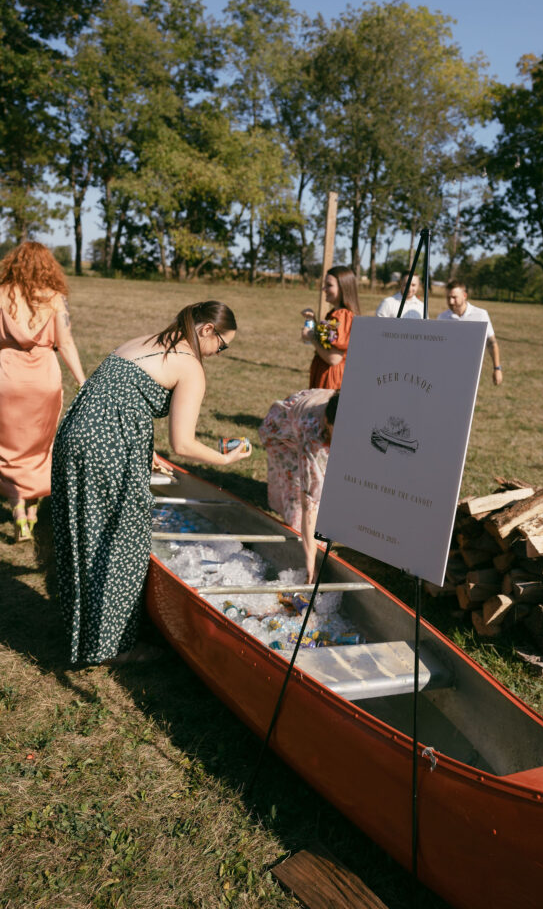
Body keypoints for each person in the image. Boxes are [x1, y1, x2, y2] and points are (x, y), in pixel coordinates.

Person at [51, 300, 252, 666]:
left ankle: (86, 630)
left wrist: (144, 450)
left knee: (84, 532)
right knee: (124, 541)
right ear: (207, 330)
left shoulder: (142, 341)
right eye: (222, 345)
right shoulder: (190, 366)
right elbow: (184, 443)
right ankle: (115, 648)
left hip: (74, 435)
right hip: (107, 447)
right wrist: (225, 458)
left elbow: (115, 400)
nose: (219, 353)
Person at [0, 242, 86, 542]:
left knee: (9, 448)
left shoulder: (1, 293)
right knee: (39, 446)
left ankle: (17, 510)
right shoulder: (55, 298)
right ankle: (33, 510)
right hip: (43, 379)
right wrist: (81, 380)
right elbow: (66, 343)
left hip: (7, 377)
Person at [258, 388, 339, 582]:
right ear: (327, 423)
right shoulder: (311, 432)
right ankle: (302, 545)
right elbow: (308, 503)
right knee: (296, 489)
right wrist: (311, 556)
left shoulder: (346, 408)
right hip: (280, 433)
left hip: (298, 414)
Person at [302, 265, 360, 390]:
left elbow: (334, 358)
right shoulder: (335, 314)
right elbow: (327, 343)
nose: (324, 289)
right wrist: (313, 322)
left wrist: (312, 337)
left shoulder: (342, 316)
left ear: (343, 288)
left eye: (329, 285)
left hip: (332, 382)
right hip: (326, 377)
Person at [437, 280, 503, 386]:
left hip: (471, 373)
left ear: (464, 295)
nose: (451, 301)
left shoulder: (481, 314)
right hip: (447, 373)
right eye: (448, 298)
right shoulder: (442, 317)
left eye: (454, 297)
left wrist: (497, 368)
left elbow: (491, 343)